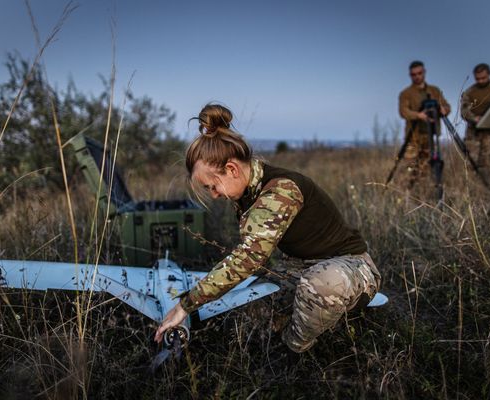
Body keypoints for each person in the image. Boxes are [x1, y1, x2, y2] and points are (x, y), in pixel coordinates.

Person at [154, 104, 381, 353]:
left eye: (212, 186)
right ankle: (305, 323)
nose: (215, 195)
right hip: (298, 267)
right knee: (249, 310)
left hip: (349, 267)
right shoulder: (249, 189)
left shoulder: (280, 190)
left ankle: (296, 350)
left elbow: (248, 258)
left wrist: (185, 305)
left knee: (323, 284)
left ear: (231, 169)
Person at [398, 61, 450, 192]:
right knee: (410, 167)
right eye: (413, 74)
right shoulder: (406, 93)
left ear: (424, 72)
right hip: (413, 137)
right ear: (410, 75)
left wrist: (444, 110)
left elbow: (446, 106)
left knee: (425, 167)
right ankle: (408, 193)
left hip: (430, 136)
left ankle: (422, 193)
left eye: (419, 73)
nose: (417, 76)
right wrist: (418, 115)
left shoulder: (434, 90)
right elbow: (403, 111)